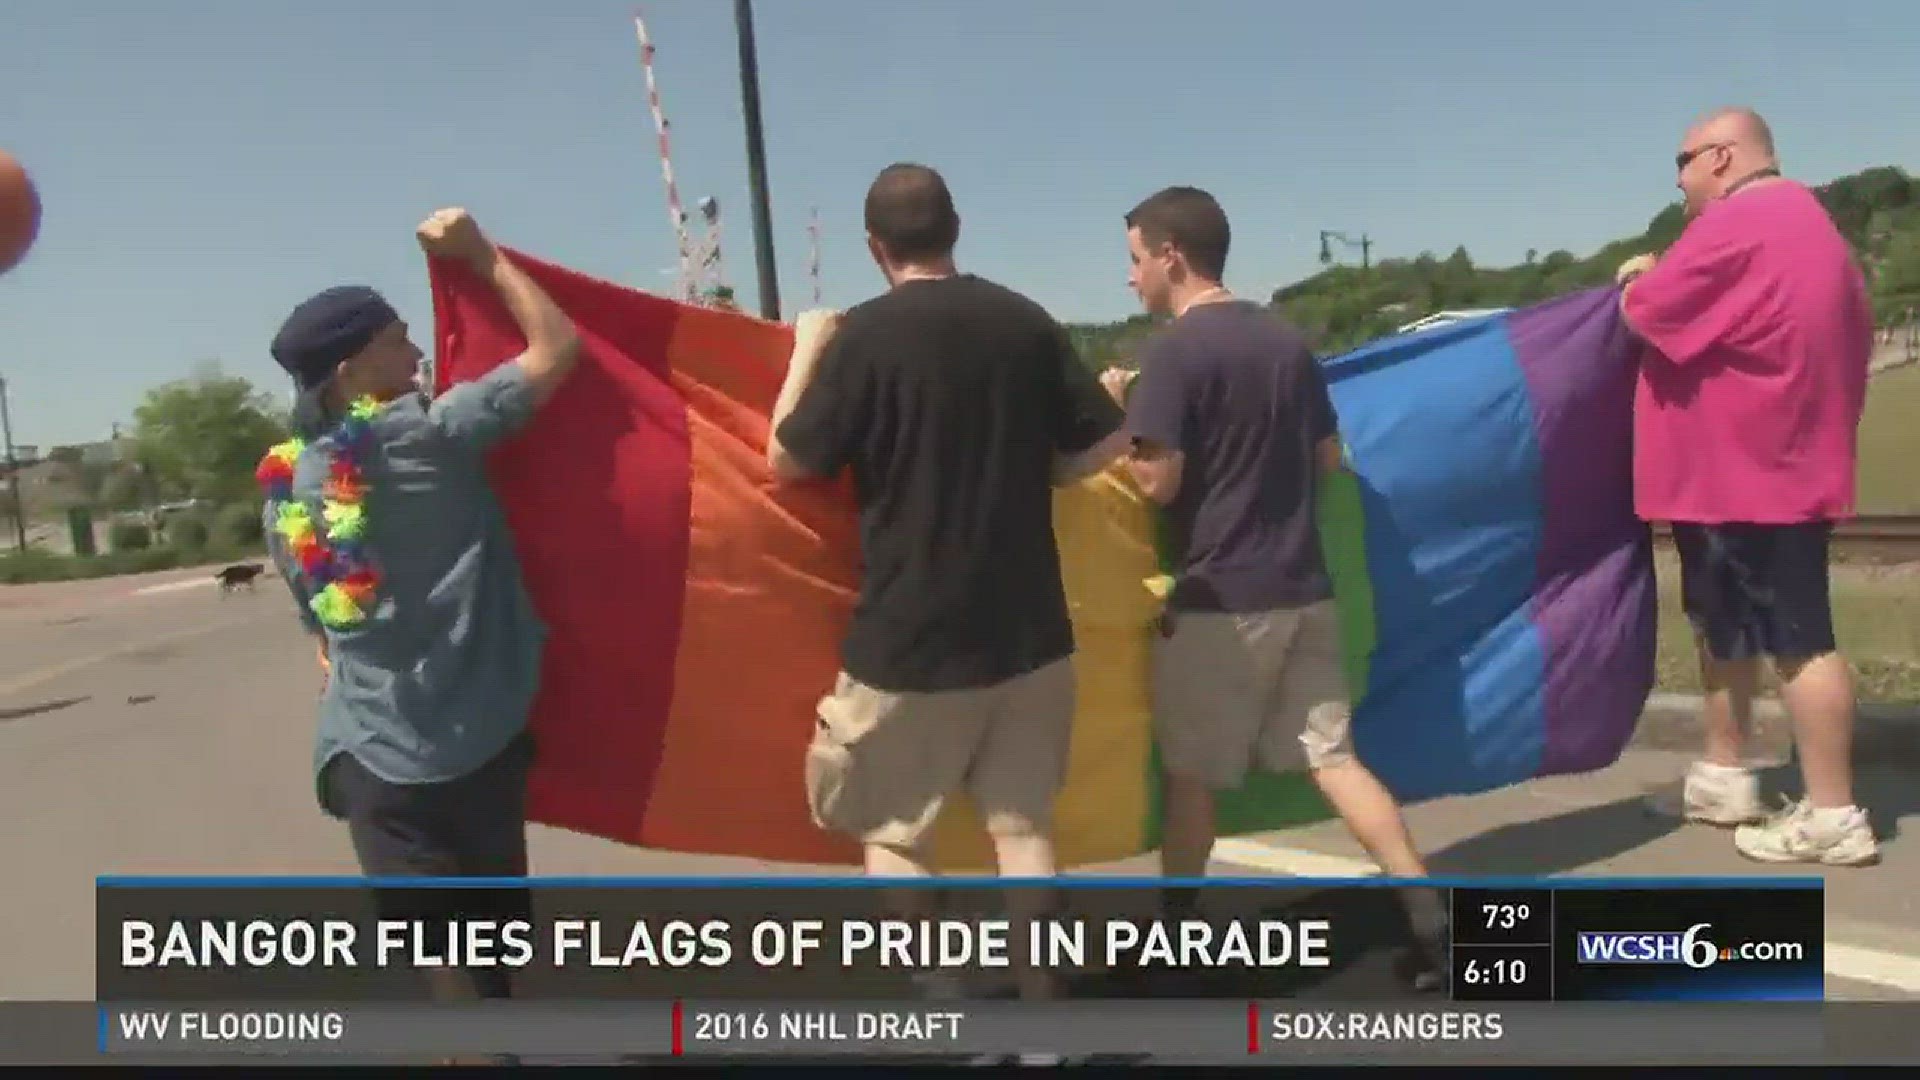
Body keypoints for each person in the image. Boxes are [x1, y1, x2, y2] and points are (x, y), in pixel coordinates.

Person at [766, 164, 1127, 1009]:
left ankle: (942, 997)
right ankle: (1045, 1008)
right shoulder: (1023, 321)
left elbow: (787, 460)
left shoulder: (863, 339)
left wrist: (808, 346)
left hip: (910, 638)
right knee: (1023, 828)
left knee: (892, 830)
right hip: (1031, 631)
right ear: (955, 229)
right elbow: (1095, 450)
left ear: (873, 247)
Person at [1110, 186, 1446, 986]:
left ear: (1171, 257)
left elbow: (1157, 483)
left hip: (1222, 603)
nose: (1128, 279)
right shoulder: (1287, 342)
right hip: (1306, 589)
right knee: (1335, 759)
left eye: (1132, 259)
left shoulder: (1174, 357)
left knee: (1192, 777)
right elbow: (1327, 461)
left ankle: (1175, 937)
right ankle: (1427, 915)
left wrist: (1120, 416)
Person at [259, 207, 583, 1010]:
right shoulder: (438, 431)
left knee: (449, 973)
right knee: (488, 970)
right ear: (351, 369)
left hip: (370, 761)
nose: (416, 351)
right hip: (474, 749)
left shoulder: (286, 488)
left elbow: (324, 634)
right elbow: (559, 348)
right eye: (398, 339)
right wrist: (483, 256)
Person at [1616, 107, 1878, 866]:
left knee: (1798, 638)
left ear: (1725, 158)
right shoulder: (1808, 223)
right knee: (1723, 624)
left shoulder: (1739, 223)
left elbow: (1651, 310)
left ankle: (1834, 813)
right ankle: (1724, 776)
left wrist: (1639, 278)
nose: (1679, 176)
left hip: (1752, 472)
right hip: (1751, 470)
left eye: (1686, 158)